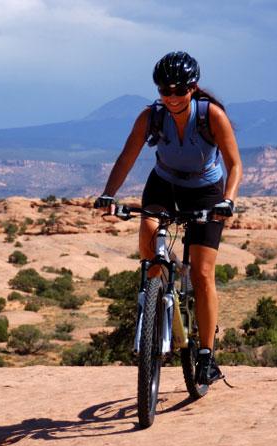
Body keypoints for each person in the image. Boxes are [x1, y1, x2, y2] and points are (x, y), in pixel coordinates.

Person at [94, 51, 242, 385]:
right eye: (165, 90)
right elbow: (127, 156)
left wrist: (228, 200)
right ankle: (162, 279)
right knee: (148, 245)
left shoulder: (211, 115)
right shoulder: (151, 116)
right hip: (164, 185)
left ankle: (205, 355)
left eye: (179, 90)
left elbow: (235, 164)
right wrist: (108, 193)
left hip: (205, 191)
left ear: (193, 88)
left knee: (203, 273)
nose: (172, 97)